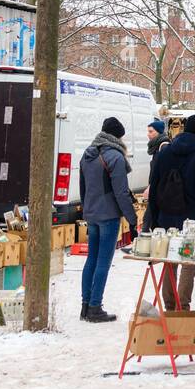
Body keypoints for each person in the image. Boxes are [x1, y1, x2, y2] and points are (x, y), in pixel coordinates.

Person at [146, 114, 195, 309]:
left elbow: (154, 185)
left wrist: (152, 217)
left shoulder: (165, 152)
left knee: (170, 259)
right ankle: (183, 306)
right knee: (188, 261)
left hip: (165, 215)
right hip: (191, 218)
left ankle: (169, 305)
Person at [78, 116, 138, 323]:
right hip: (109, 215)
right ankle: (95, 307)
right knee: (103, 261)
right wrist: (132, 219)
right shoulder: (116, 157)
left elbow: (83, 188)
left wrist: (86, 210)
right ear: (117, 136)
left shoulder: (88, 154)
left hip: (92, 214)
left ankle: (85, 306)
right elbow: (121, 193)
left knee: (91, 259)